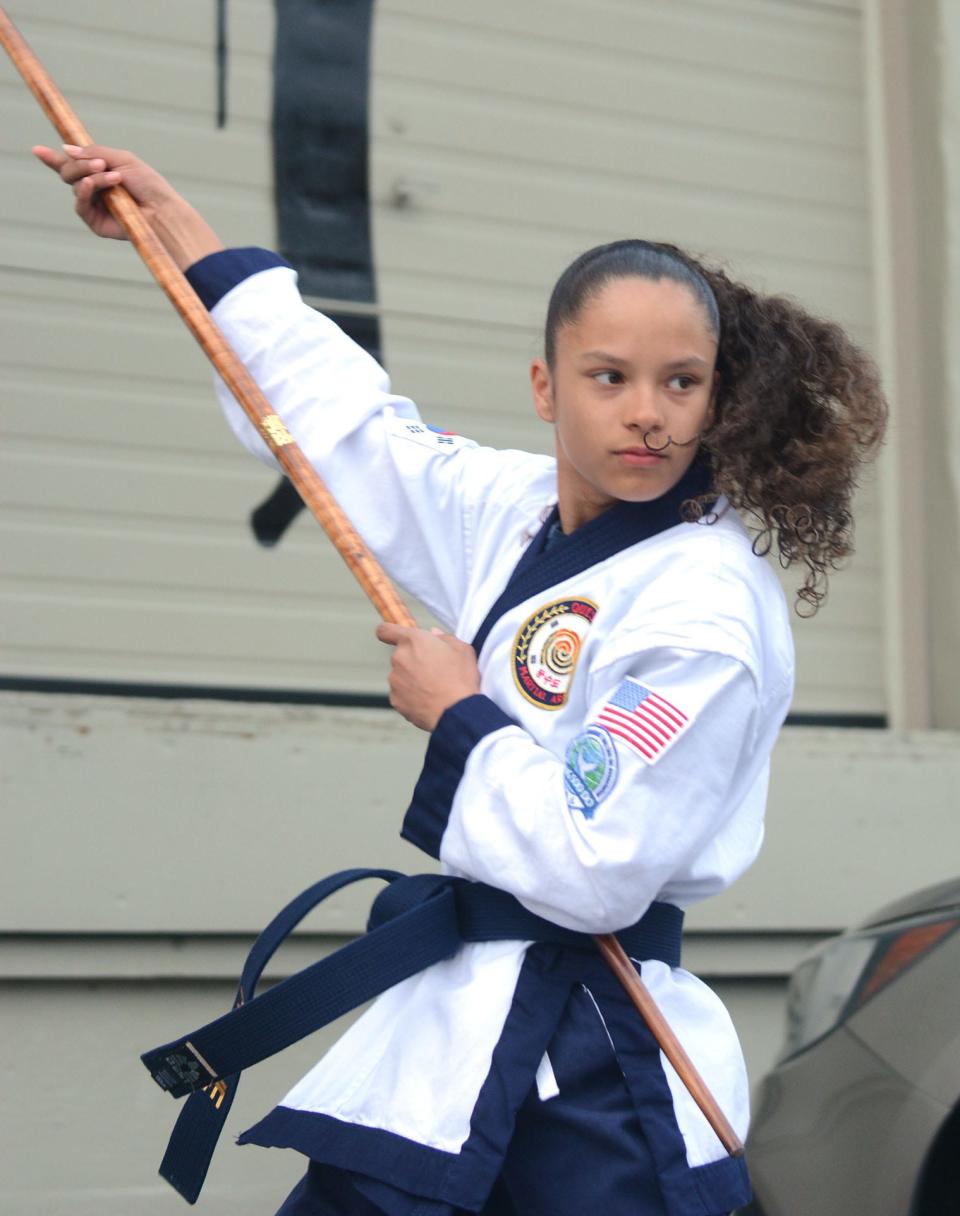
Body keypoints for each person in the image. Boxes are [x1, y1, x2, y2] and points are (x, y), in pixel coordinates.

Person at [34, 142, 887, 1216]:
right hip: (453, 1037)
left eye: (682, 382)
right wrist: (180, 235)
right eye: (609, 376)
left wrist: (463, 714)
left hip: (603, 1065)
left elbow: (597, 863)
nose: (646, 412)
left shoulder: (703, 609)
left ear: (719, 400)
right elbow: (349, 433)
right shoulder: (514, 508)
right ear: (546, 386)